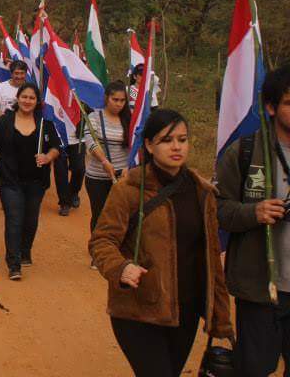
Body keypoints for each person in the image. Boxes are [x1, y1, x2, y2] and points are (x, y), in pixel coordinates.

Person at [89, 109, 233, 377]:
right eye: (167, 140)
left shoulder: (203, 193)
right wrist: (121, 268)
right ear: (149, 145)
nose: (177, 146)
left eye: (182, 139)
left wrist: (220, 315)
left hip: (185, 312)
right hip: (138, 310)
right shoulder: (129, 189)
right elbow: (102, 241)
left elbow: (211, 256)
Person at [217, 65, 290, 376]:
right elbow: (219, 210)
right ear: (271, 107)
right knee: (255, 368)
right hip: (261, 289)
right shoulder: (245, 152)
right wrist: (254, 213)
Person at [0, 82, 61, 280]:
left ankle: (24, 251)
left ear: (37, 101)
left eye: (32, 98)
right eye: (24, 97)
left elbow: (56, 147)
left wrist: (48, 157)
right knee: (14, 219)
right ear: (18, 99)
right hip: (9, 180)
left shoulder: (44, 124)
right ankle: (14, 264)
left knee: (30, 220)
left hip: (36, 181)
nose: (27, 101)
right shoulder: (4, 122)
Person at [84, 82, 132, 235]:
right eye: (115, 99)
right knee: (100, 216)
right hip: (97, 177)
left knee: (120, 216)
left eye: (122, 100)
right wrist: (104, 161)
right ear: (106, 98)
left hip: (123, 177)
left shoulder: (130, 119)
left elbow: (136, 146)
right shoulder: (94, 117)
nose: (118, 104)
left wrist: (129, 167)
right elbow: (91, 143)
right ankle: (98, 248)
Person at [54, 114, 86, 217]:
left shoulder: (82, 99)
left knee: (79, 168)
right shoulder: (55, 97)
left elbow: (91, 110)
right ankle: (64, 203)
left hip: (78, 140)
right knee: (60, 171)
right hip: (59, 139)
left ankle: (74, 192)